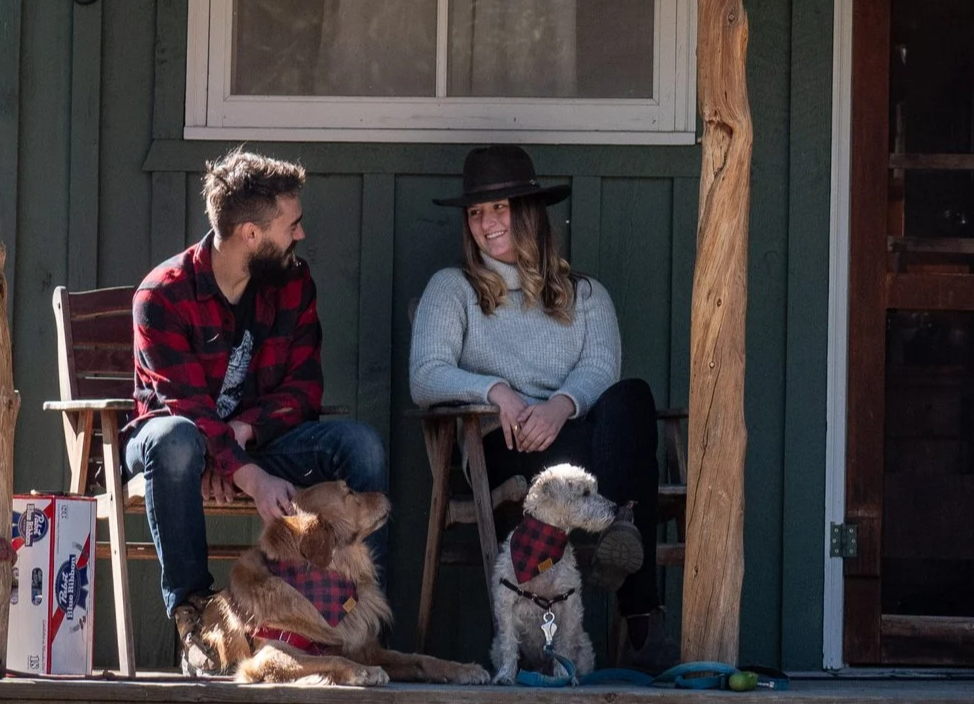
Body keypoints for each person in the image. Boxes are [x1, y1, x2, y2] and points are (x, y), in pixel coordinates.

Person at [409, 144, 674, 672]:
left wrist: (559, 405)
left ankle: (624, 540)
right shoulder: (453, 289)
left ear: (529, 212)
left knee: (632, 396)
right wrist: (497, 392)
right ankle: (642, 608)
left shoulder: (587, 295)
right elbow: (425, 376)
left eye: (500, 208)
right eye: (477, 212)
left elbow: (601, 367)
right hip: (503, 448)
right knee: (623, 455)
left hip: (578, 441)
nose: (487, 224)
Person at [123, 149, 388, 675]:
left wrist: (247, 433)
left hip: (258, 444)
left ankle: (357, 620)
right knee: (174, 438)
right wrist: (245, 474)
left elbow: (303, 388)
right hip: (179, 449)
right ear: (250, 233)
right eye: (292, 224)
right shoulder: (162, 297)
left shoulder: (292, 282)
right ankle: (195, 620)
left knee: (360, 446)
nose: (300, 235)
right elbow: (186, 407)